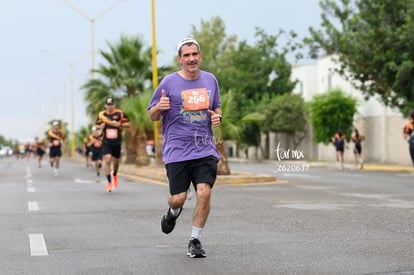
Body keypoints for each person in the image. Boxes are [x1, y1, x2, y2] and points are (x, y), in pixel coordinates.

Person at [148, 38, 222, 258]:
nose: (191, 59)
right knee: (178, 197)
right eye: (186, 55)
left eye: (194, 54)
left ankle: (195, 240)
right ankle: (173, 212)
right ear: (179, 59)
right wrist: (159, 108)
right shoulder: (169, 82)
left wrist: (218, 116)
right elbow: (152, 114)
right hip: (177, 150)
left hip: (204, 148)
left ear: (200, 56)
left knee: (204, 192)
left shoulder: (210, 80)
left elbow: (216, 107)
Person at [96, 97, 130, 192]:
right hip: (106, 140)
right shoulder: (102, 115)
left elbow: (129, 124)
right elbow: (96, 125)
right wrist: (100, 126)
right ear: (105, 105)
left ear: (114, 105)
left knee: (116, 162)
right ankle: (109, 182)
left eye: (111, 105)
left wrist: (120, 124)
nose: (110, 106)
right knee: (107, 159)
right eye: (108, 105)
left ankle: (114, 174)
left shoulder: (119, 113)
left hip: (117, 141)